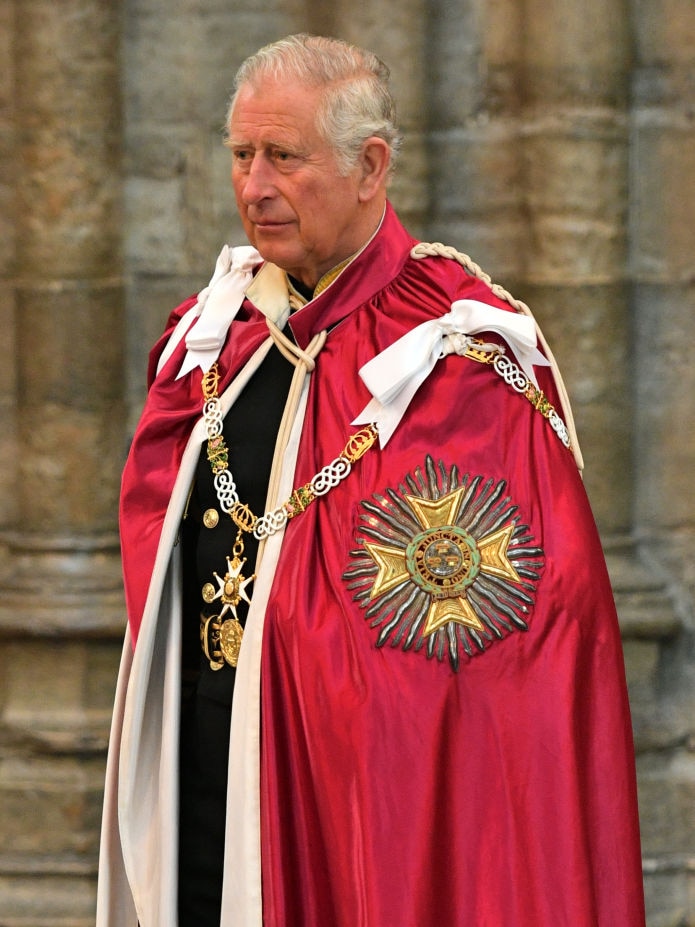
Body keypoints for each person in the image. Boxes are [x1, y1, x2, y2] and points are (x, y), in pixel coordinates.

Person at [97, 33, 646, 927]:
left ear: (369, 166)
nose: (254, 186)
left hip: (366, 808)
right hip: (206, 765)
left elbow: (503, 666)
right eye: (241, 155)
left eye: (283, 156)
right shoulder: (217, 337)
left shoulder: (465, 358)